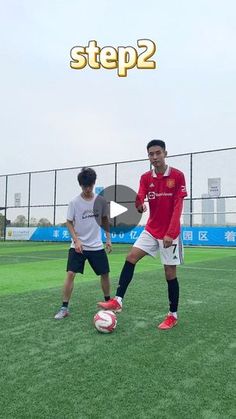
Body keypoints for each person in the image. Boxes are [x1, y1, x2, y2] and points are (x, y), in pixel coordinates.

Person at [98, 139, 187, 330]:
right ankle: (118, 301)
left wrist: (171, 232)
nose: (154, 157)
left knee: (169, 274)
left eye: (157, 153)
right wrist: (139, 205)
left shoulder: (178, 176)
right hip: (151, 229)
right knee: (131, 257)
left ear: (165, 153)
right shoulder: (146, 177)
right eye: (151, 154)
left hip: (170, 233)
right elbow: (140, 196)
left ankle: (173, 315)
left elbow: (178, 206)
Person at [55, 167, 112, 320]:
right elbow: (68, 222)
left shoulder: (100, 201)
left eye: (90, 186)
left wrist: (108, 239)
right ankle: (64, 308)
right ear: (80, 185)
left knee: (105, 274)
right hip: (78, 246)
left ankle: (108, 304)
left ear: (94, 183)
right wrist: (76, 240)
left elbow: (105, 220)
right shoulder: (74, 202)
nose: (87, 189)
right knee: (71, 274)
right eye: (84, 186)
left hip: (96, 245)